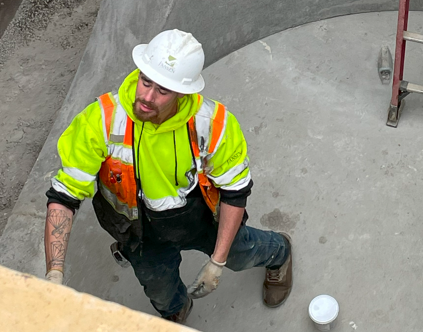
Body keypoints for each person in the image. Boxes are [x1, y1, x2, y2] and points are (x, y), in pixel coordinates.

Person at [43, 29, 293, 323]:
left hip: (199, 218)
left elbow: (235, 193)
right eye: (145, 81)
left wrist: (218, 261)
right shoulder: (101, 121)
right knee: (160, 291)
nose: (147, 97)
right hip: (139, 233)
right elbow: (64, 197)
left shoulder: (212, 125)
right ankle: (177, 310)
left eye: (162, 91)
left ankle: (280, 254)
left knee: (242, 252)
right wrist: (54, 273)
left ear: (184, 93)